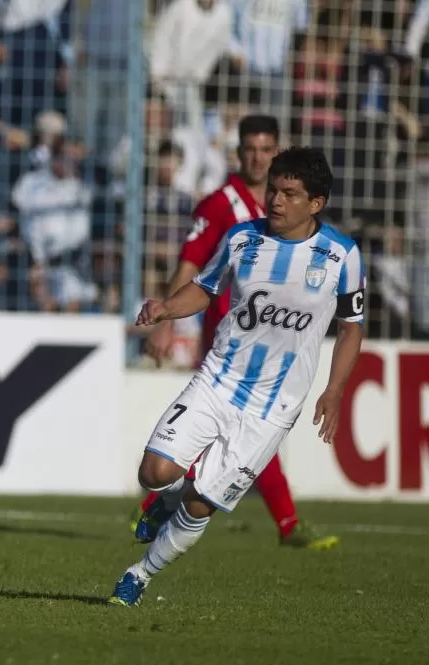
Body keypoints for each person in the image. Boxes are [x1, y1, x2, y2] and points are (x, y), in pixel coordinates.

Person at [107, 147, 365, 607]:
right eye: (273, 190)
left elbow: (351, 328)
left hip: (273, 407)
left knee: (202, 502)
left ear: (316, 203)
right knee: (153, 472)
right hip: (218, 380)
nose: (276, 201)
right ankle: (162, 502)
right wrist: (168, 308)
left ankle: (138, 576)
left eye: (290, 193)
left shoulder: (342, 255)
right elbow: (205, 289)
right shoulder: (242, 238)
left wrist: (335, 388)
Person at [137, 115, 338, 550]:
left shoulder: (288, 205)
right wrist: (168, 320)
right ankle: (287, 523)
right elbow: (191, 262)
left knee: (251, 435)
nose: (258, 157)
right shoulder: (219, 205)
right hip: (229, 343)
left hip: (275, 343)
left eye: (266, 149)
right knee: (245, 432)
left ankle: (167, 499)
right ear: (238, 152)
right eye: (250, 149)